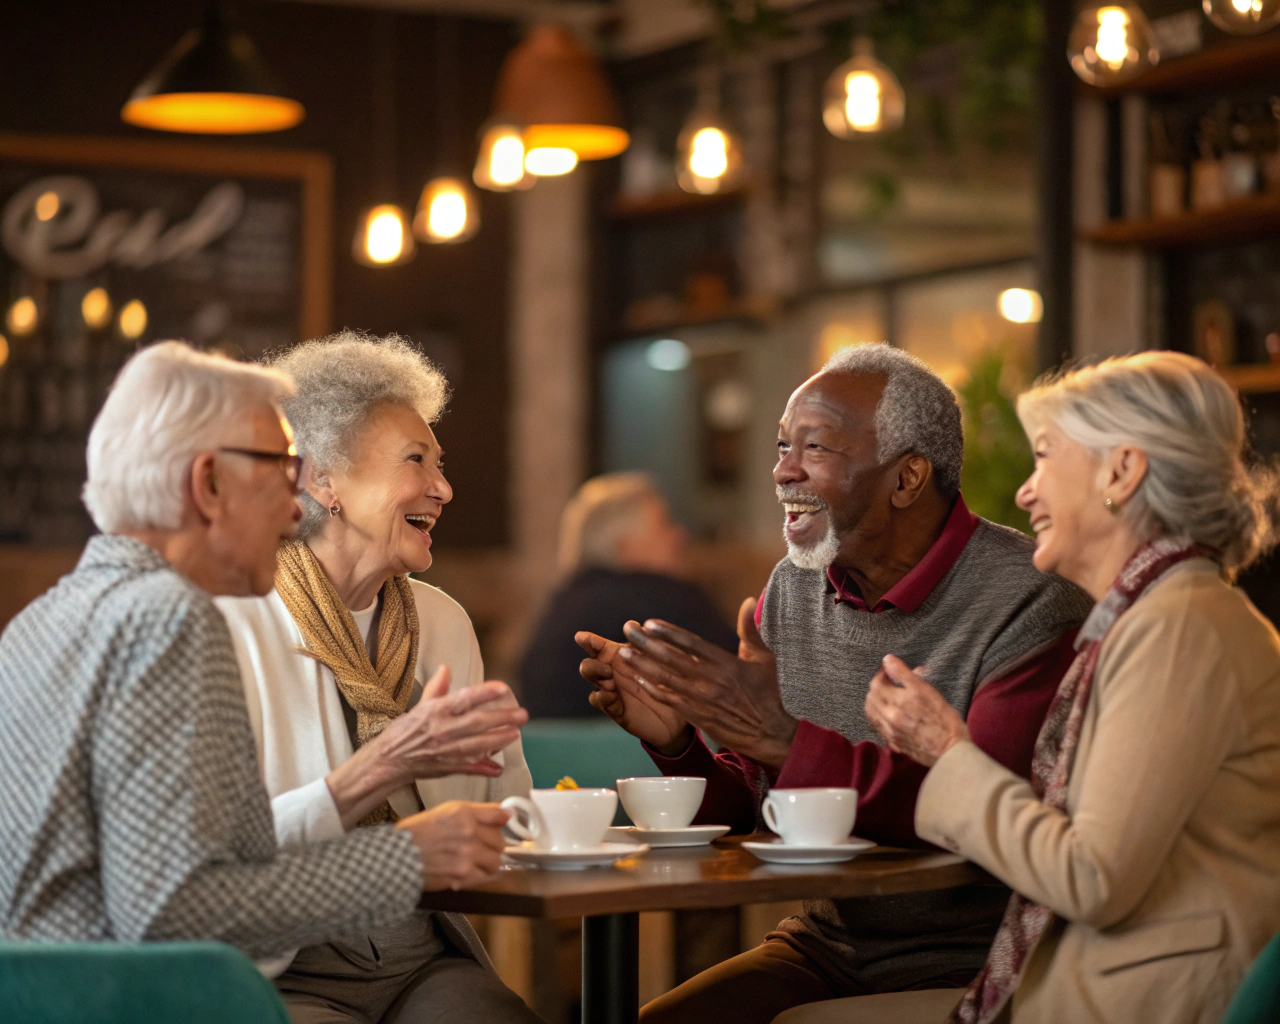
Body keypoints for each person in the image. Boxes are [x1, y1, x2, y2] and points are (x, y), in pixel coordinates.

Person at [577, 343, 1093, 1024]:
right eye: (782, 445)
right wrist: (679, 745)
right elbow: (757, 810)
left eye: (813, 448)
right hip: (826, 948)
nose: (782, 470)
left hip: (981, 959)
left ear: (906, 479)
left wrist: (785, 740)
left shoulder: (1030, 600)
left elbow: (980, 821)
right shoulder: (790, 590)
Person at [0, 342, 511, 968]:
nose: (296, 506)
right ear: (210, 483)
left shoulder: (36, 622)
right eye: (279, 467)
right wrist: (404, 859)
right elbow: (173, 911)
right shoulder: (172, 617)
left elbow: (166, 877)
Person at [807, 351, 1280, 1024]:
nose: (1026, 491)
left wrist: (947, 751)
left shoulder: (1178, 628)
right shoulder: (1163, 615)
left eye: (1046, 458)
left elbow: (1090, 880)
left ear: (1122, 470)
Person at [216, 331, 540, 1024]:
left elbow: (513, 820)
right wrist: (394, 763)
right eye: (415, 460)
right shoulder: (235, 623)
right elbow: (210, 860)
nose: (444, 488)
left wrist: (519, 817)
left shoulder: (443, 623)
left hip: (420, 955)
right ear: (319, 480)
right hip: (283, 970)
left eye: (441, 463)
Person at [518, 471, 736, 718]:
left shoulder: (563, 602)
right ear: (624, 547)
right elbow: (739, 679)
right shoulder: (669, 598)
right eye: (664, 525)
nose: (679, 536)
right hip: (640, 754)